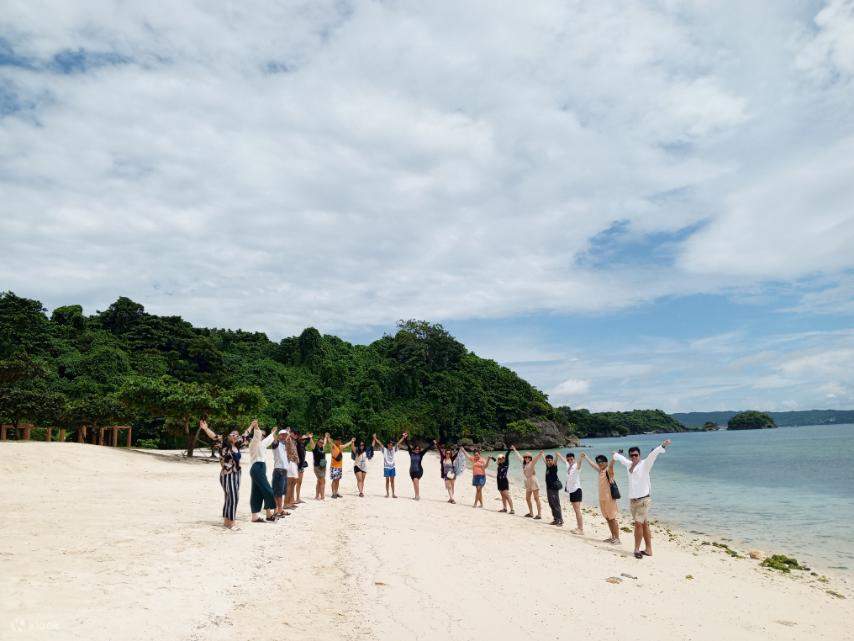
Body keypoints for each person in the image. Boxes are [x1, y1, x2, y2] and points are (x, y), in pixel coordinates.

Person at [613, 439, 671, 559]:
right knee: (644, 524)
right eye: (632, 455)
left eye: (636, 455)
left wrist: (662, 446)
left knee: (638, 524)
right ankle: (649, 549)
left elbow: (653, 455)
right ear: (630, 456)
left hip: (644, 500)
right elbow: (620, 458)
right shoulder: (629, 465)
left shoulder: (645, 464)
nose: (634, 457)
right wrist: (616, 454)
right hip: (633, 501)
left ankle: (636, 549)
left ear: (639, 455)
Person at [198, 418, 251, 528]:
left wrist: (252, 425)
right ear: (228, 436)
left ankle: (227, 521)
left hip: (237, 474)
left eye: (237, 435)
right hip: (227, 474)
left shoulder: (238, 444)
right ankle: (231, 522)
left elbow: (245, 435)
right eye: (233, 434)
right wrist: (206, 428)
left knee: (230, 497)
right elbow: (213, 436)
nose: (235, 436)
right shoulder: (224, 444)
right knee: (233, 497)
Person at [582, 453, 621, 544]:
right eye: (598, 462)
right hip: (602, 499)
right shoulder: (600, 471)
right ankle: (613, 537)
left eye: (601, 462)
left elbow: (611, 465)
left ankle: (617, 538)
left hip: (609, 499)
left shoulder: (608, 471)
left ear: (606, 462)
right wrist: (586, 457)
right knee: (607, 518)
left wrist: (615, 457)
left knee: (612, 518)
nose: (599, 464)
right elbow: (593, 465)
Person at [511, 446, 543, 519]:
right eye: (525, 457)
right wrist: (515, 449)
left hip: (533, 480)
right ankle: (531, 513)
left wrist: (539, 454)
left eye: (528, 457)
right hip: (527, 481)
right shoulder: (524, 463)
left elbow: (536, 459)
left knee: (536, 498)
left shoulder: (531, 463)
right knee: (527, 498)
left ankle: (539, 514)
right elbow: (519, 457)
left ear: (530, 458)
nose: (527, 458)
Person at [372, 432, 407, 498]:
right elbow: (380, 443)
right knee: (387, 481)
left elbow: (398, 443)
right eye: (390, 445)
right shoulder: (384, 450)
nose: (391, 446)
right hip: (386, 467)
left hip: (392, 467)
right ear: (387, 445)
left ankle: (393, 494)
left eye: (391, 445)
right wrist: (375, 438)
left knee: (392, 481)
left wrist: (403, 437)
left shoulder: (394, 449)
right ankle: (387, 493)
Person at [560, 451, 585, 534]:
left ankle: (581, 529)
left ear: (574, 459)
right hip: (572, 491)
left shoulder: (575, 466)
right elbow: (564, 460)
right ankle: (578, 527)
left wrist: (580, 457)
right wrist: (559, 455)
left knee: (577, 510)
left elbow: (579, 464)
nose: (570, 461)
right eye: (568, 459)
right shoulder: (569, 466)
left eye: (571, 459)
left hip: (576, 490)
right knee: (576, 510)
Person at [270, 429, 292, 519]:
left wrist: (288, 434)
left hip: (284, 471)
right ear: (278, 436)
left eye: (285, 435)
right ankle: (277, 510)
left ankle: (280, 509)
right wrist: (273, 433)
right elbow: (274, 442)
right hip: (279, 470)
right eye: (282, 435)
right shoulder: (276, 444)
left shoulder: (284, 445)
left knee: (282, 492)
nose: (284, 436)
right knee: (277, 492)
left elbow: (288, 440)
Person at [544, 454, 564, 526]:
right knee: (551, 504)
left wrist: (557, 456)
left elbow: (555, 462)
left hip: (553, 489)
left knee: (556, 504)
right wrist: (542, 455)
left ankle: (560, 520)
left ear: (552, 461)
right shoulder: (548, 467)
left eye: (550, 460)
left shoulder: (553, 467)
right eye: (547, 460)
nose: (548, 462)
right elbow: (545, 461)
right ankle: (556, 519)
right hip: (549, 488)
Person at [283, 428, 300, 509]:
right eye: (295, 433)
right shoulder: (289, 439)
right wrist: (289, 432)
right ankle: (286, 503)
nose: (296, 435)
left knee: (293, 483)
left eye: (297, 434)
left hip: (294, 462)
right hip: (290, 462)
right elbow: (285, 440)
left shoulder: (294, 441)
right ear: (292, 433)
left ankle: (290, 502)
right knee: (289, 483)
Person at [495, 446, 514, 514]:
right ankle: (505, 508)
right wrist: (491, 458)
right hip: (499, 481)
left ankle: (512, 509)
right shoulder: (499, 465)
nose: (501, 459)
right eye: (499, 458)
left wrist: (510, 449)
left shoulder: (506, 464)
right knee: (502, 495)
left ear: (504, 458)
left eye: (502, 458)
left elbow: (507, 455)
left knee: (507, 495)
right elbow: (495, 460)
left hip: (504, 481)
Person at [308, 433, 328, 500]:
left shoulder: (322, 447)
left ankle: (317, 496)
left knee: (319, 481)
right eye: (320, 442)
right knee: (322, 481)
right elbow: (312, 444)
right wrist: (310, 438)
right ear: (317, 442)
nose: (321, 443)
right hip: (317, 467)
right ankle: (322, 497)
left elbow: (324, 443)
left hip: (323, 467)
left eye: (322, 442)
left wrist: (325, 437)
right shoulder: (315, 447)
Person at [293, 429, 310, 504]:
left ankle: (298, 498)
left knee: (299, 482)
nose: (303, 440)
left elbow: (308, 440)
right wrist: (302, 437)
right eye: (302, 439)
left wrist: (308, 437)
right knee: (294, 483)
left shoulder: (303, 444)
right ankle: (293, 498)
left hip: (301, 466)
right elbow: (296, 438)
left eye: (304, 439)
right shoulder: (297, 444)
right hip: (296, 466)